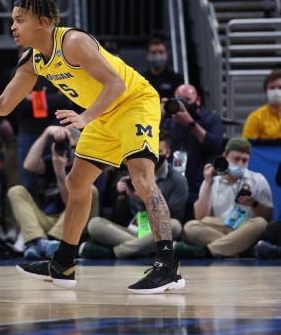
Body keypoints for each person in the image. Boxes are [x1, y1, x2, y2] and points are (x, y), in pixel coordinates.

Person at [0, 0, 184, 293]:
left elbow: (116, 84)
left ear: (44, 22)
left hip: (133, 103)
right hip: (101, 114)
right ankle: (63, 264)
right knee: (77, 183)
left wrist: (84, 118)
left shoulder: (73, 42)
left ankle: (168, 266)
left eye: (20, 20)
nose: (13, 26)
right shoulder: (32, 60)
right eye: (12, 20)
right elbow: (3, 105)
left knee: (141, 179)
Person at [79, 130, 188, 259]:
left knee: (174, 225)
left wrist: (145, 199)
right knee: (94, 224)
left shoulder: (177, 180)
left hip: (158, 233)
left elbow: (174, 216)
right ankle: (145, 249)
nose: (154, 155)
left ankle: (115, 253)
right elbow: (120, 218)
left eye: (159, 151)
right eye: (151, 150)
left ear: (168, 153)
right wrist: (121, 197)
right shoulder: (135, 173)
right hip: (134, 231)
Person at [7, 124, 98, 260]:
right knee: (16, 191)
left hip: (74, 224)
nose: (66, 150)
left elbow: (71, 203)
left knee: (89, 190)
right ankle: (41, 243)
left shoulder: (87, 166)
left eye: (70, 145)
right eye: (62, 144)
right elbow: (28, 165)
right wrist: (46, 133)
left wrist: (60, 173)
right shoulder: (56, 160)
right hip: (49, 220)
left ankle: (48, 244)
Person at [174, 138, 274, 258]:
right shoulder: (212, 181)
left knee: (261, 224)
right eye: (236, 159)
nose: (240, 164)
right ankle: (243, 250)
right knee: (190, 227)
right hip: (219, 227)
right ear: (225, 156)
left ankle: (206, 251)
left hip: (245, 228)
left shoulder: (258, 180)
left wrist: (254, 204)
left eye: (244, 160)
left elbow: (268, 218)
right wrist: (207, 183)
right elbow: (200, 217)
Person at [161, 83, 224, 218]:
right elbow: (148, 138)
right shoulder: (170, 122)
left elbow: (216, 146)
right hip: (173, 187)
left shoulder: (211, 119)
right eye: (178, 100)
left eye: (187, 100)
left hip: (199, 185)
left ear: (198, 101)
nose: (182, 104)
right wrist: (160, 114)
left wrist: (191, 124)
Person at [242, 69, 281, 140]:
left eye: (280, 87)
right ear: (266, 91)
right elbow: (246, 147)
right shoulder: (255, 118)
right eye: (272, 88)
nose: (276, 91)